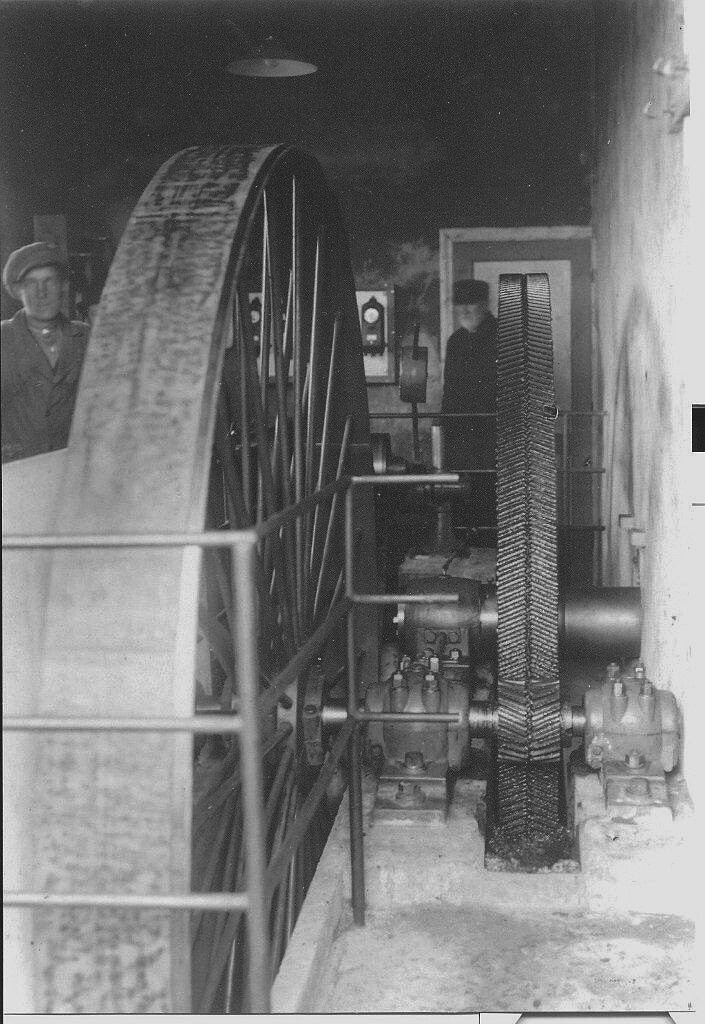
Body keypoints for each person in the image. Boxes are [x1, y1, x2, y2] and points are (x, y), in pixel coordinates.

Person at [2, 242, 89, 463]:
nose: (42, 292)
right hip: (15, 471)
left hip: (70, 464)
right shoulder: (3, 338)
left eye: (50, 281)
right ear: (17, 291)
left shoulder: (85, 337)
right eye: (31, 283)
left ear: (63, 286)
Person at [440, 278, 497, 528]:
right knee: (463, 503)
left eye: (470, 304)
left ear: (484, 305)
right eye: (459, 304)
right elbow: (450, 391)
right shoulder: (455, 342)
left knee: (492, 502)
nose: (463, 310)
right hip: (461, 439)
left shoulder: (505, 337)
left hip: (494, 437)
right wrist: (445, 433)